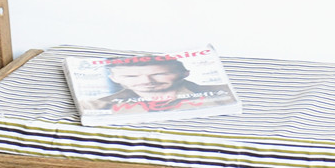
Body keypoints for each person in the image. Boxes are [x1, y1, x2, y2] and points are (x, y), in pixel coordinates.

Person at [85, 56, 234, 114]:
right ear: (114, 78)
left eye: (159, 74)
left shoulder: (223, 93)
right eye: (130, 76)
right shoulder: (97, 105)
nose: (146, 81)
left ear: (185, 73)